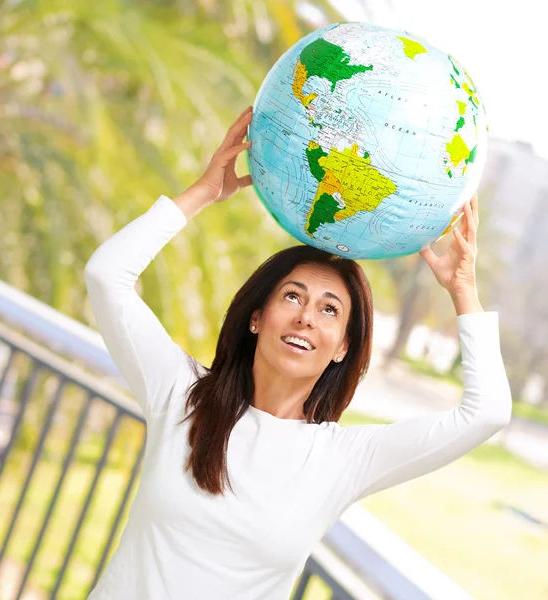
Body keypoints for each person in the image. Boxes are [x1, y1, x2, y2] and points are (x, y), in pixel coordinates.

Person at [83, 106, 512, 600]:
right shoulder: (181, 396)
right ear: (257, 317)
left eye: (330, 310)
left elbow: (486, 413)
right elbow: (106, 276)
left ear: (342, 348)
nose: (307, 316)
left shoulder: (341, 458)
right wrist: (203, 193)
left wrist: (462, 288)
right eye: (293, 296)